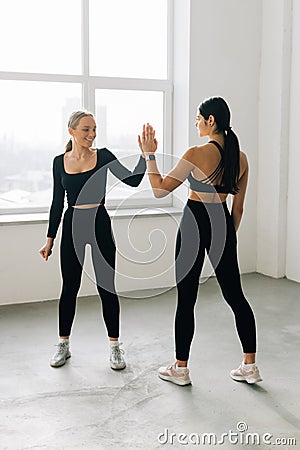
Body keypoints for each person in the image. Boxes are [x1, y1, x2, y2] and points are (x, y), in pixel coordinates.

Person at [139, 97, 262, 386]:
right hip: (222, 222)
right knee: (236, 297)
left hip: (195, 221)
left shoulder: (196, 153)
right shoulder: (241, 158)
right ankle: (250, 366)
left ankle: (180, 369)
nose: (196, 123)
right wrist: (225, 240)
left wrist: (149, 155)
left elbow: (159, 190)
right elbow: (239, 208)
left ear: (211, 121)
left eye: (198, 118)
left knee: (186, 298)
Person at [39, 110, 146, 369]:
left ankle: (115, 347)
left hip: (99, 223)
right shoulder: (58, 161)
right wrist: (50, 239)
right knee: (69, 288)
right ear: (72, 131)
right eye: (86, 129)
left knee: (106, 287)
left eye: (94, 129)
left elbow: (133, 181)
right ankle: (63, 345)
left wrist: (146, 156)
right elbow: (57, 203)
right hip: (73, 225)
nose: (92, 134)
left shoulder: (104, 156)